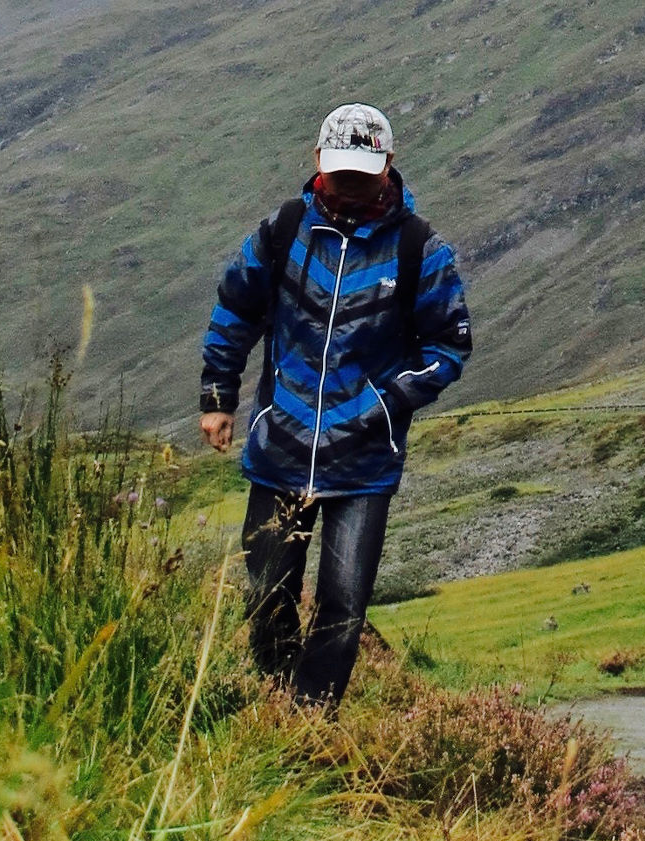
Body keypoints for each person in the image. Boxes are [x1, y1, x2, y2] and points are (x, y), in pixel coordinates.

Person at [199, 104, 472, 707]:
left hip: (365, 461)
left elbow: (448, 347)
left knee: (343, 603)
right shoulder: (283, 230)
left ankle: (309, 720)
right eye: (340, 171)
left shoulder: (420, 249)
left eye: (361, 174)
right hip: (281, 445)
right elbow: (235, 309)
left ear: (388, 166)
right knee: (265, 590)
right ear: (318, 161)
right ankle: (274, 702)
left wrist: (385, 403)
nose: (349, 185)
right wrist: (218, 396)